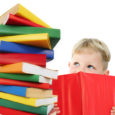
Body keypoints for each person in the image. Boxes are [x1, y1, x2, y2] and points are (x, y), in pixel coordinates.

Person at [50, 38, 111, 115]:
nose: (80, 71)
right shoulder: (56, 94)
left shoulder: (110, 101)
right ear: (69, 65)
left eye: (90, 66)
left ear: (105, 75)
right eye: (76, 64)